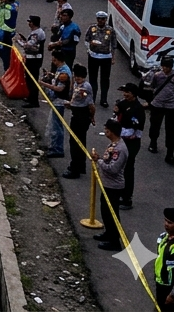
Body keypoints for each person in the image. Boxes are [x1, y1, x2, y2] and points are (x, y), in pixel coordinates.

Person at [92, 119, 129, 251]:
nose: (105, 132)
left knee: (111, 214)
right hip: (108, 184)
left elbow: (113, 169)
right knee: (105, 212)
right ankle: (108, 233)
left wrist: (99, 161)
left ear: (111, 132)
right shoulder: (113, 144)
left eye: (106, 130)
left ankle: (114, 241)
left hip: (114, 186)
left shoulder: (120, 149)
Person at [145, 57, 174, 165]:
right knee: (155, 125)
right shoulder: (157, 75)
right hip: (157, 104)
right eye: (164, 66)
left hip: (171, 106)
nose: (165, 69)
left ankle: (170, 153)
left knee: (170, 130)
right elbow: (151, 87)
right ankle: (153, 143)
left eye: (168, 67)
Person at [113, 82, 145, 209]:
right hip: (120, 140)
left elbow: (136, 128)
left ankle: (127, 198)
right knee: (119, 167)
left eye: (128, 92)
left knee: (128, 169)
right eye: (124, 92)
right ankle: (120, 192)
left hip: (131, 143)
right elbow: (116, 116)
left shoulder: (137, 108)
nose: (125, 94)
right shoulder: (122, 103)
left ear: (134, 94)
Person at [62, 64, 94, 178]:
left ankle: (75, 168)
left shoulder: (85, 87)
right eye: (76, 77)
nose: (77, 79)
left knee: (76, 143)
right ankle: (80, 165)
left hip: (82, 116)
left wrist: (92, 117)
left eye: (79, 78)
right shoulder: (76, 84)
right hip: (76, 113)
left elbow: (90, 104)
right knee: (77, 141)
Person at [39, 52, 72, 158]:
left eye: (54, 60)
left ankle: (58, 149)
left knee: (57, 126)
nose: (53, 62)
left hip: (59, 101)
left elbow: (59, 88)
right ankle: (53, 146)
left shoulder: (64, 73)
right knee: (54, 125)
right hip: (56, 100)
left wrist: (44, 84)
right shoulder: (60, 70)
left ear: (59, 60)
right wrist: (51, 75)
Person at [85, 11, 115, 108]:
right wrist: (90, 45)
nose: (100, 21)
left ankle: (104, 99)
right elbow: (86, 40)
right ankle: (92, 98)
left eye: (103, 19)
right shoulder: (91, 28)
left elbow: (113, 45)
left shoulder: (110, 30)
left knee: (105, 79)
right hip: (93, 55)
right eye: (99, 19)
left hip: (106, 57)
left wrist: (113, 57)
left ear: (106, 20)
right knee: (93, 78)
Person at [18, 15, 48, 107]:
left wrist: (19, 41)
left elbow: (29, 45)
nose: (29, 24)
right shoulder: (36, 32)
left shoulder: (36, 34)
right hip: (33, 58)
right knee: (29, 79)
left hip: (34, 59)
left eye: (30, 22)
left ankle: (34, 101)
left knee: (32, 80)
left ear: (33, 23)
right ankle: (31, 97)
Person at [0, 0, 18, 69]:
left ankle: (7, 69)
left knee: (3, 51)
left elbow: (4, 15)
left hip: (4, 31)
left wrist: (1, 3)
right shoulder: (14, 5)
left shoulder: (7, 7)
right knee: (5, 52)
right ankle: (7, 68)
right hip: (7, 31)